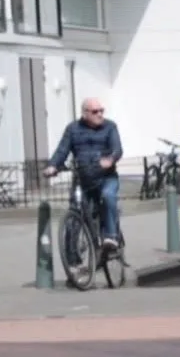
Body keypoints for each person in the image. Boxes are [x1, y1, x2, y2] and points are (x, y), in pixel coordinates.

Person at [44, 97, 125, 249]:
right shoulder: (73, 129)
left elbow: (117, 149)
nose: (100, 114)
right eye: (95, 111)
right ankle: (73, 258)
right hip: (83, 179)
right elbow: (62, 150)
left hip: (106, 177)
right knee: (75, 210)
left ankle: (111, 236)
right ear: (85, 113)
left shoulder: (110, 127)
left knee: (108, 195)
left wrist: (110, 159)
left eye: (102, 111)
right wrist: (53, 166)